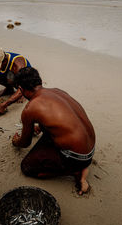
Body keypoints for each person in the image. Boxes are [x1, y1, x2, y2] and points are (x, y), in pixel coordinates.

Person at [12, 67, 95, 195]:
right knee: (49, 132)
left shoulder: (31, 108)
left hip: (77, 157)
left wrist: (15, 141)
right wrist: (41, 127)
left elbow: (25, 143)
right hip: (90, 148)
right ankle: (80, 165)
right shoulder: (57, 91)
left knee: (27, 167)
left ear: (21, 89)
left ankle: (77, 171)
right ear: (39, 81)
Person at [0, 45, 31, 114]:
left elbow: (22, 86)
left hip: (25, 81)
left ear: (4, 61)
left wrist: (5, 105)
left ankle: (25, 93)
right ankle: (9, 89)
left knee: (11, 77)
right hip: (11, 76)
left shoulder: (17, 64)